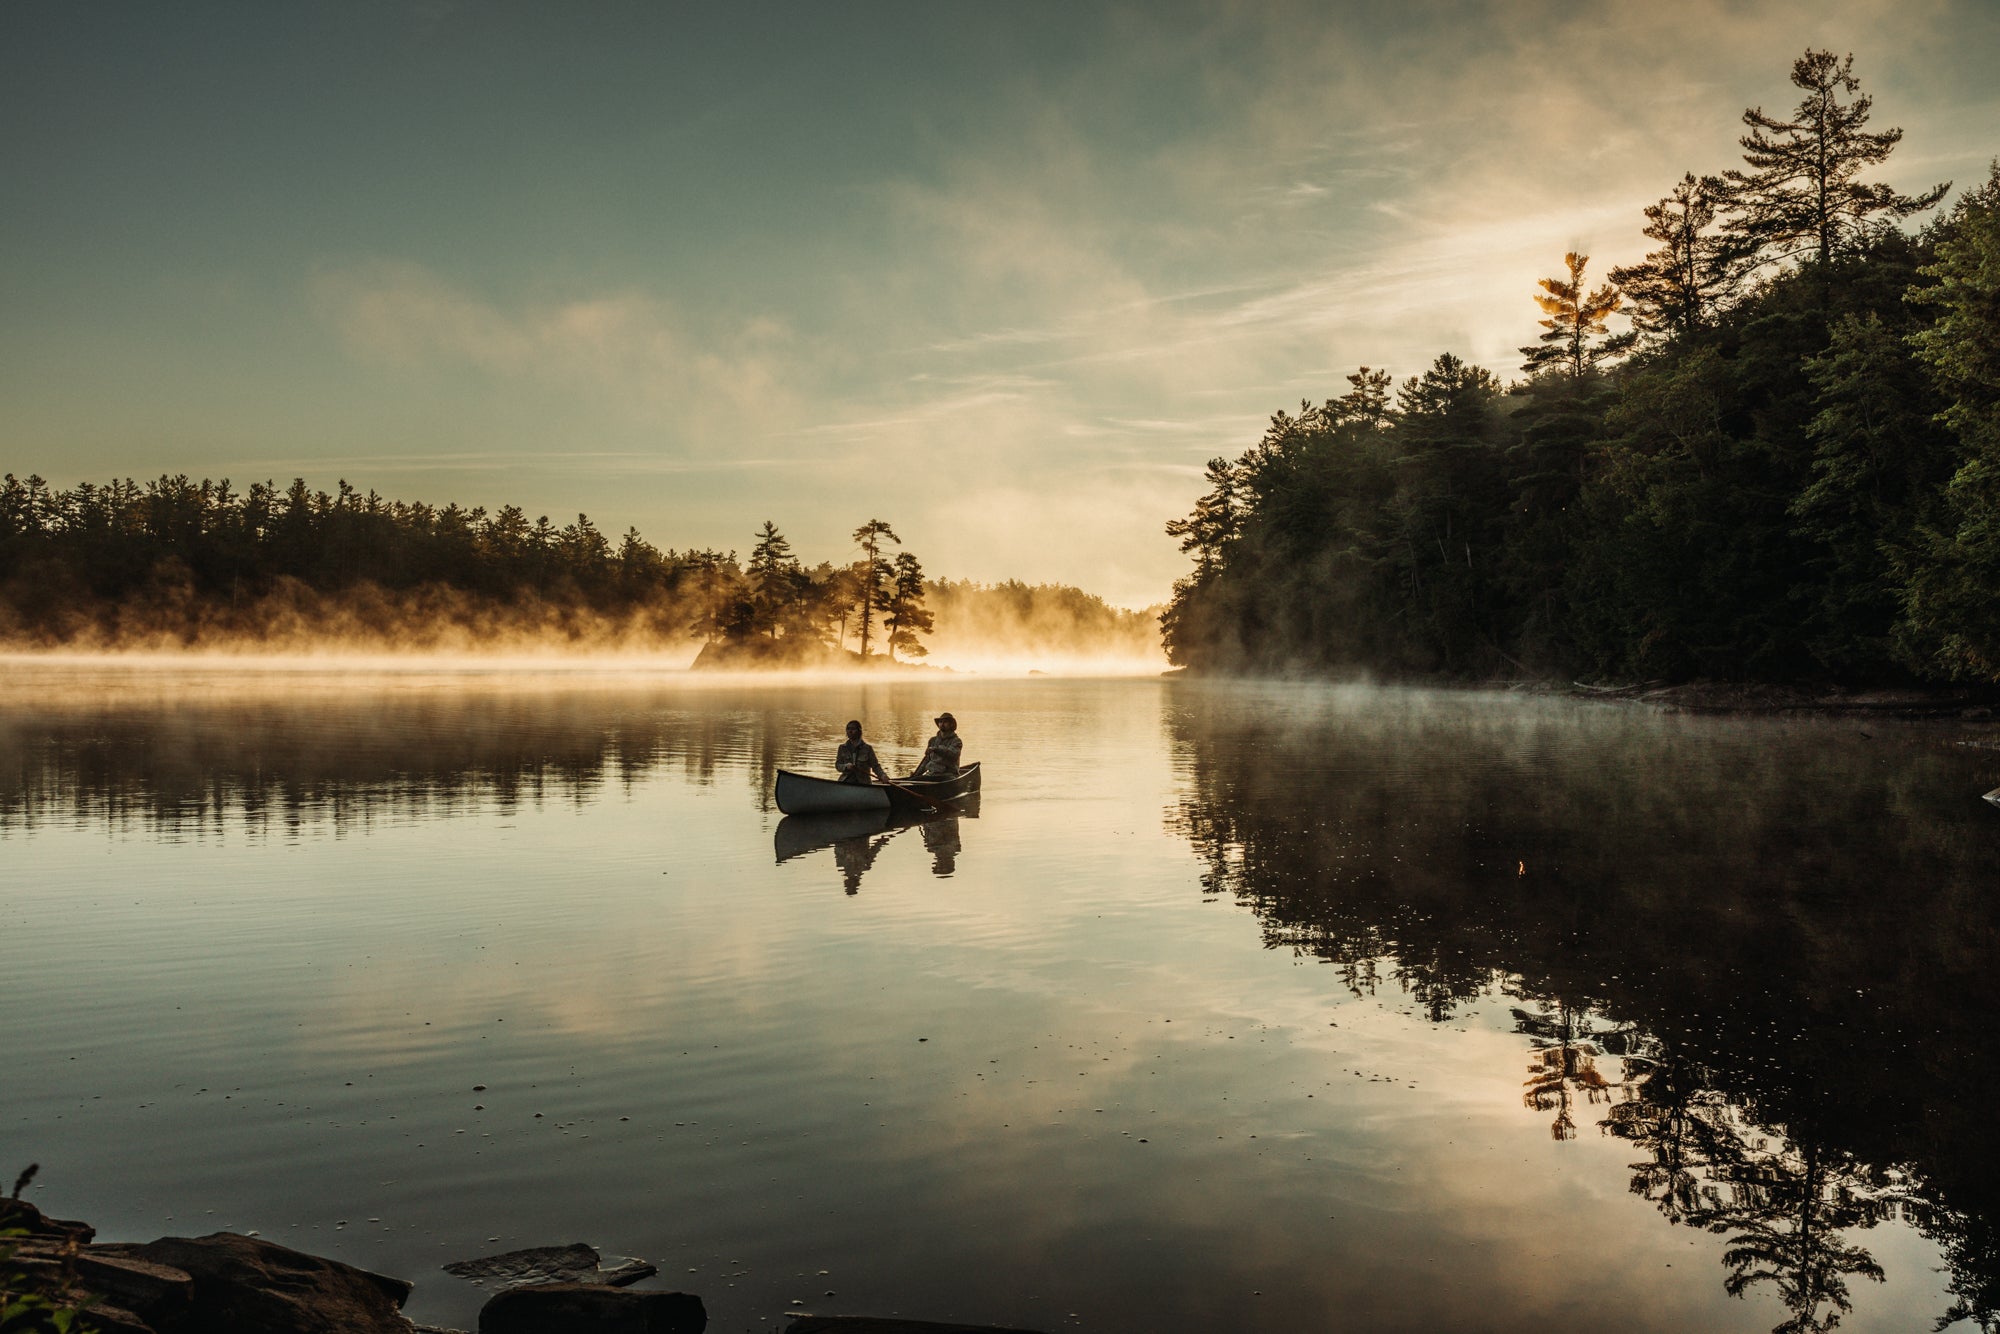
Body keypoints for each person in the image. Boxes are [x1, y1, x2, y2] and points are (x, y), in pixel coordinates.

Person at [836, 720, 889, 785]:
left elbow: (875, 766)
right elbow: (838, 765)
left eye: (853, 729)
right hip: (845, 782)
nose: (850, 731)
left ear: (859, 731)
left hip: (864, 783)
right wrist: (846, 766)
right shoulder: (842, 748)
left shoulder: (867, 748)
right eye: (848, 729)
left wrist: (882, 775)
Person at [911, 712, 962, 780]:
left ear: (951, 725)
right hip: (932, 775)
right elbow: (926, 760)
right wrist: (915, 775)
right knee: (913, 780)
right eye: (940, 722)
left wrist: (936, 749)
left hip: (949, 775)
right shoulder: (932, 740)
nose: (942, 724)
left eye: (945, 722)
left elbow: (953, 755)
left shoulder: (956, 741)